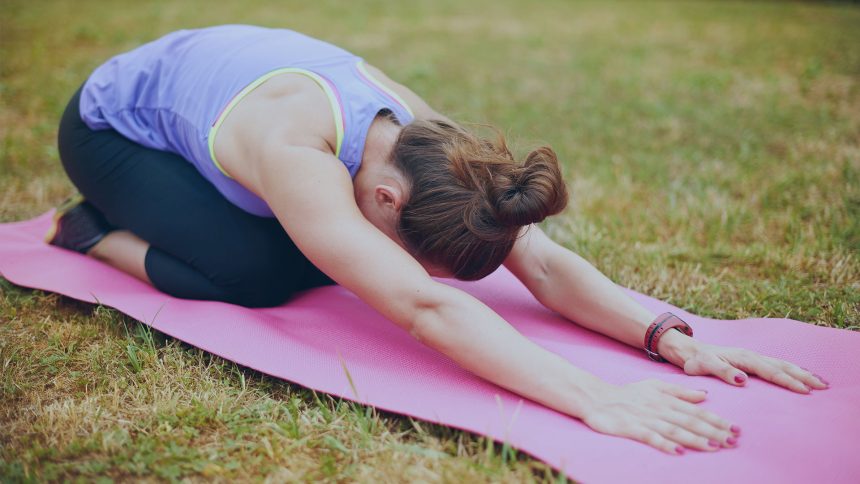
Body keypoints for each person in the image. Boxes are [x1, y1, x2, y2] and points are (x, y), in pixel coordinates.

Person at [47, 24, 828, 456]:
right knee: (262, 269)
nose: (441, 277)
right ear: (385, 201)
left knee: (321, 254)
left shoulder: (431, 147)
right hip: (111, 129)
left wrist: (666, 338)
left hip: (209, 89)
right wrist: (598, 400)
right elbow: (422, 308)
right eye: (426, 255)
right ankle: (90, 231)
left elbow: (543, 261)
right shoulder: (298, 153)